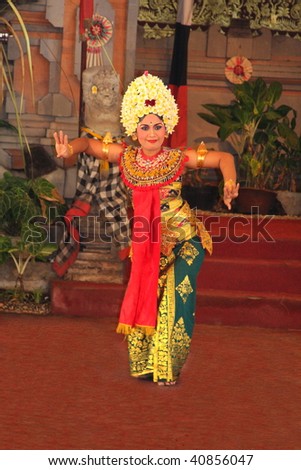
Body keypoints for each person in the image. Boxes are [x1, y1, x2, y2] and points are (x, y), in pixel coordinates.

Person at [54, 71, 239, 386]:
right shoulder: (126, 157)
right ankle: (145, 364)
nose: (151, 134)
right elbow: (90, 145)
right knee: (146, 294)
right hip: (146, 245)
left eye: (157, 126)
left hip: (185, 241)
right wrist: (70, 149)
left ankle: (168, 365)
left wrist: (231, 182)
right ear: (134, 129)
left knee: (177, 292)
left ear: (166, 127)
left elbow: (222, 158)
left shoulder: (179, 158)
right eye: (144, 127)